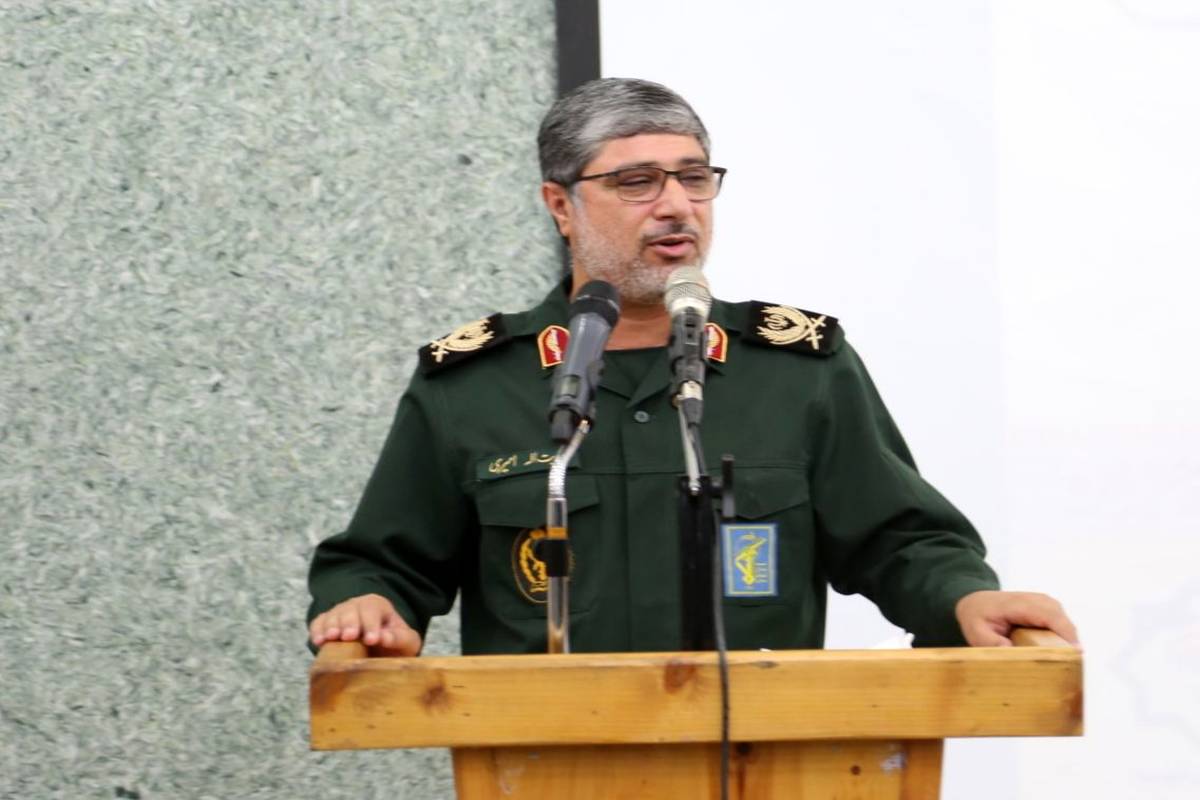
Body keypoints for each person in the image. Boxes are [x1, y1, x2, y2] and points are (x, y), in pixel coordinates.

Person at [307, 78, 1077, 657]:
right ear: (561, 205)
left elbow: (900, 542)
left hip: (764, 762)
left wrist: (963, 598)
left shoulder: (797, 371)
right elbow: (384, 562)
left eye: (694, 177)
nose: (677, 204)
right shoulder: (475, 384)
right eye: (636, 181)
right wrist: (369, 606)